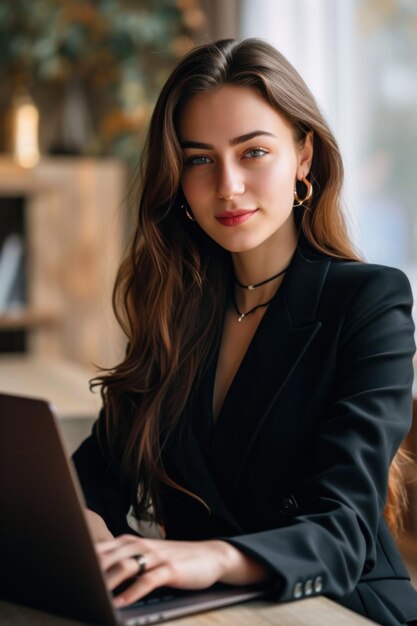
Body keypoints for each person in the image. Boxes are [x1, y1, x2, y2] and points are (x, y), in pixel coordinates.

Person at [73, 38, 417, 626]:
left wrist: (209, 558)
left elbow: (342, 534)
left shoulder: (368, 300)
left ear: (303, 156)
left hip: (335, 608)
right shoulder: (177, 307)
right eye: (200, 159)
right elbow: (94, 475)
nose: (227, 186)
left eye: (253, 151)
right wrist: (93, 534)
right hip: (199, 610)